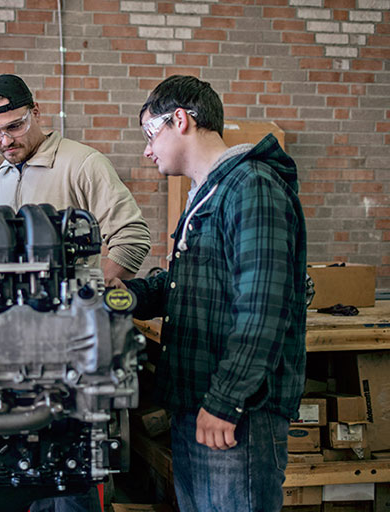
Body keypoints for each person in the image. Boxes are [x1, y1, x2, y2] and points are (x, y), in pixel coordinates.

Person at [114, 75, 307, 511]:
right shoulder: (208, 194)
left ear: (179, 119)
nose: (148, 149)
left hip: (236, 416)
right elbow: (183, 284)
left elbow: (263, 308)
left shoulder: (252, 186)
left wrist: (226, 400)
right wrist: (119, 297)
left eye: (150, 134)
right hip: (197, 404)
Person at [0, 74, 151, 286]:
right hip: (12, 314)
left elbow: (132, 237)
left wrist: (98, 291)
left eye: (15, 126)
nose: (5, 140)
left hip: (69, 314)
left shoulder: (83, 164)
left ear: (36, 113)